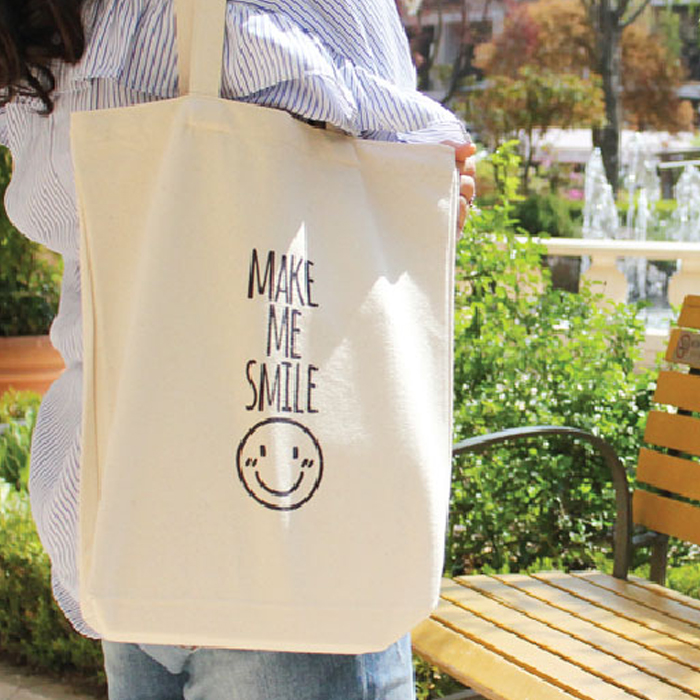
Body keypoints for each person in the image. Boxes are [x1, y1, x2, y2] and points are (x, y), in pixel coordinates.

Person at [0, 1, 475, 698]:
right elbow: (413, 161)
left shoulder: (46, 22)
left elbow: (62, 206)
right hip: (289, 562)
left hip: (122, 514)